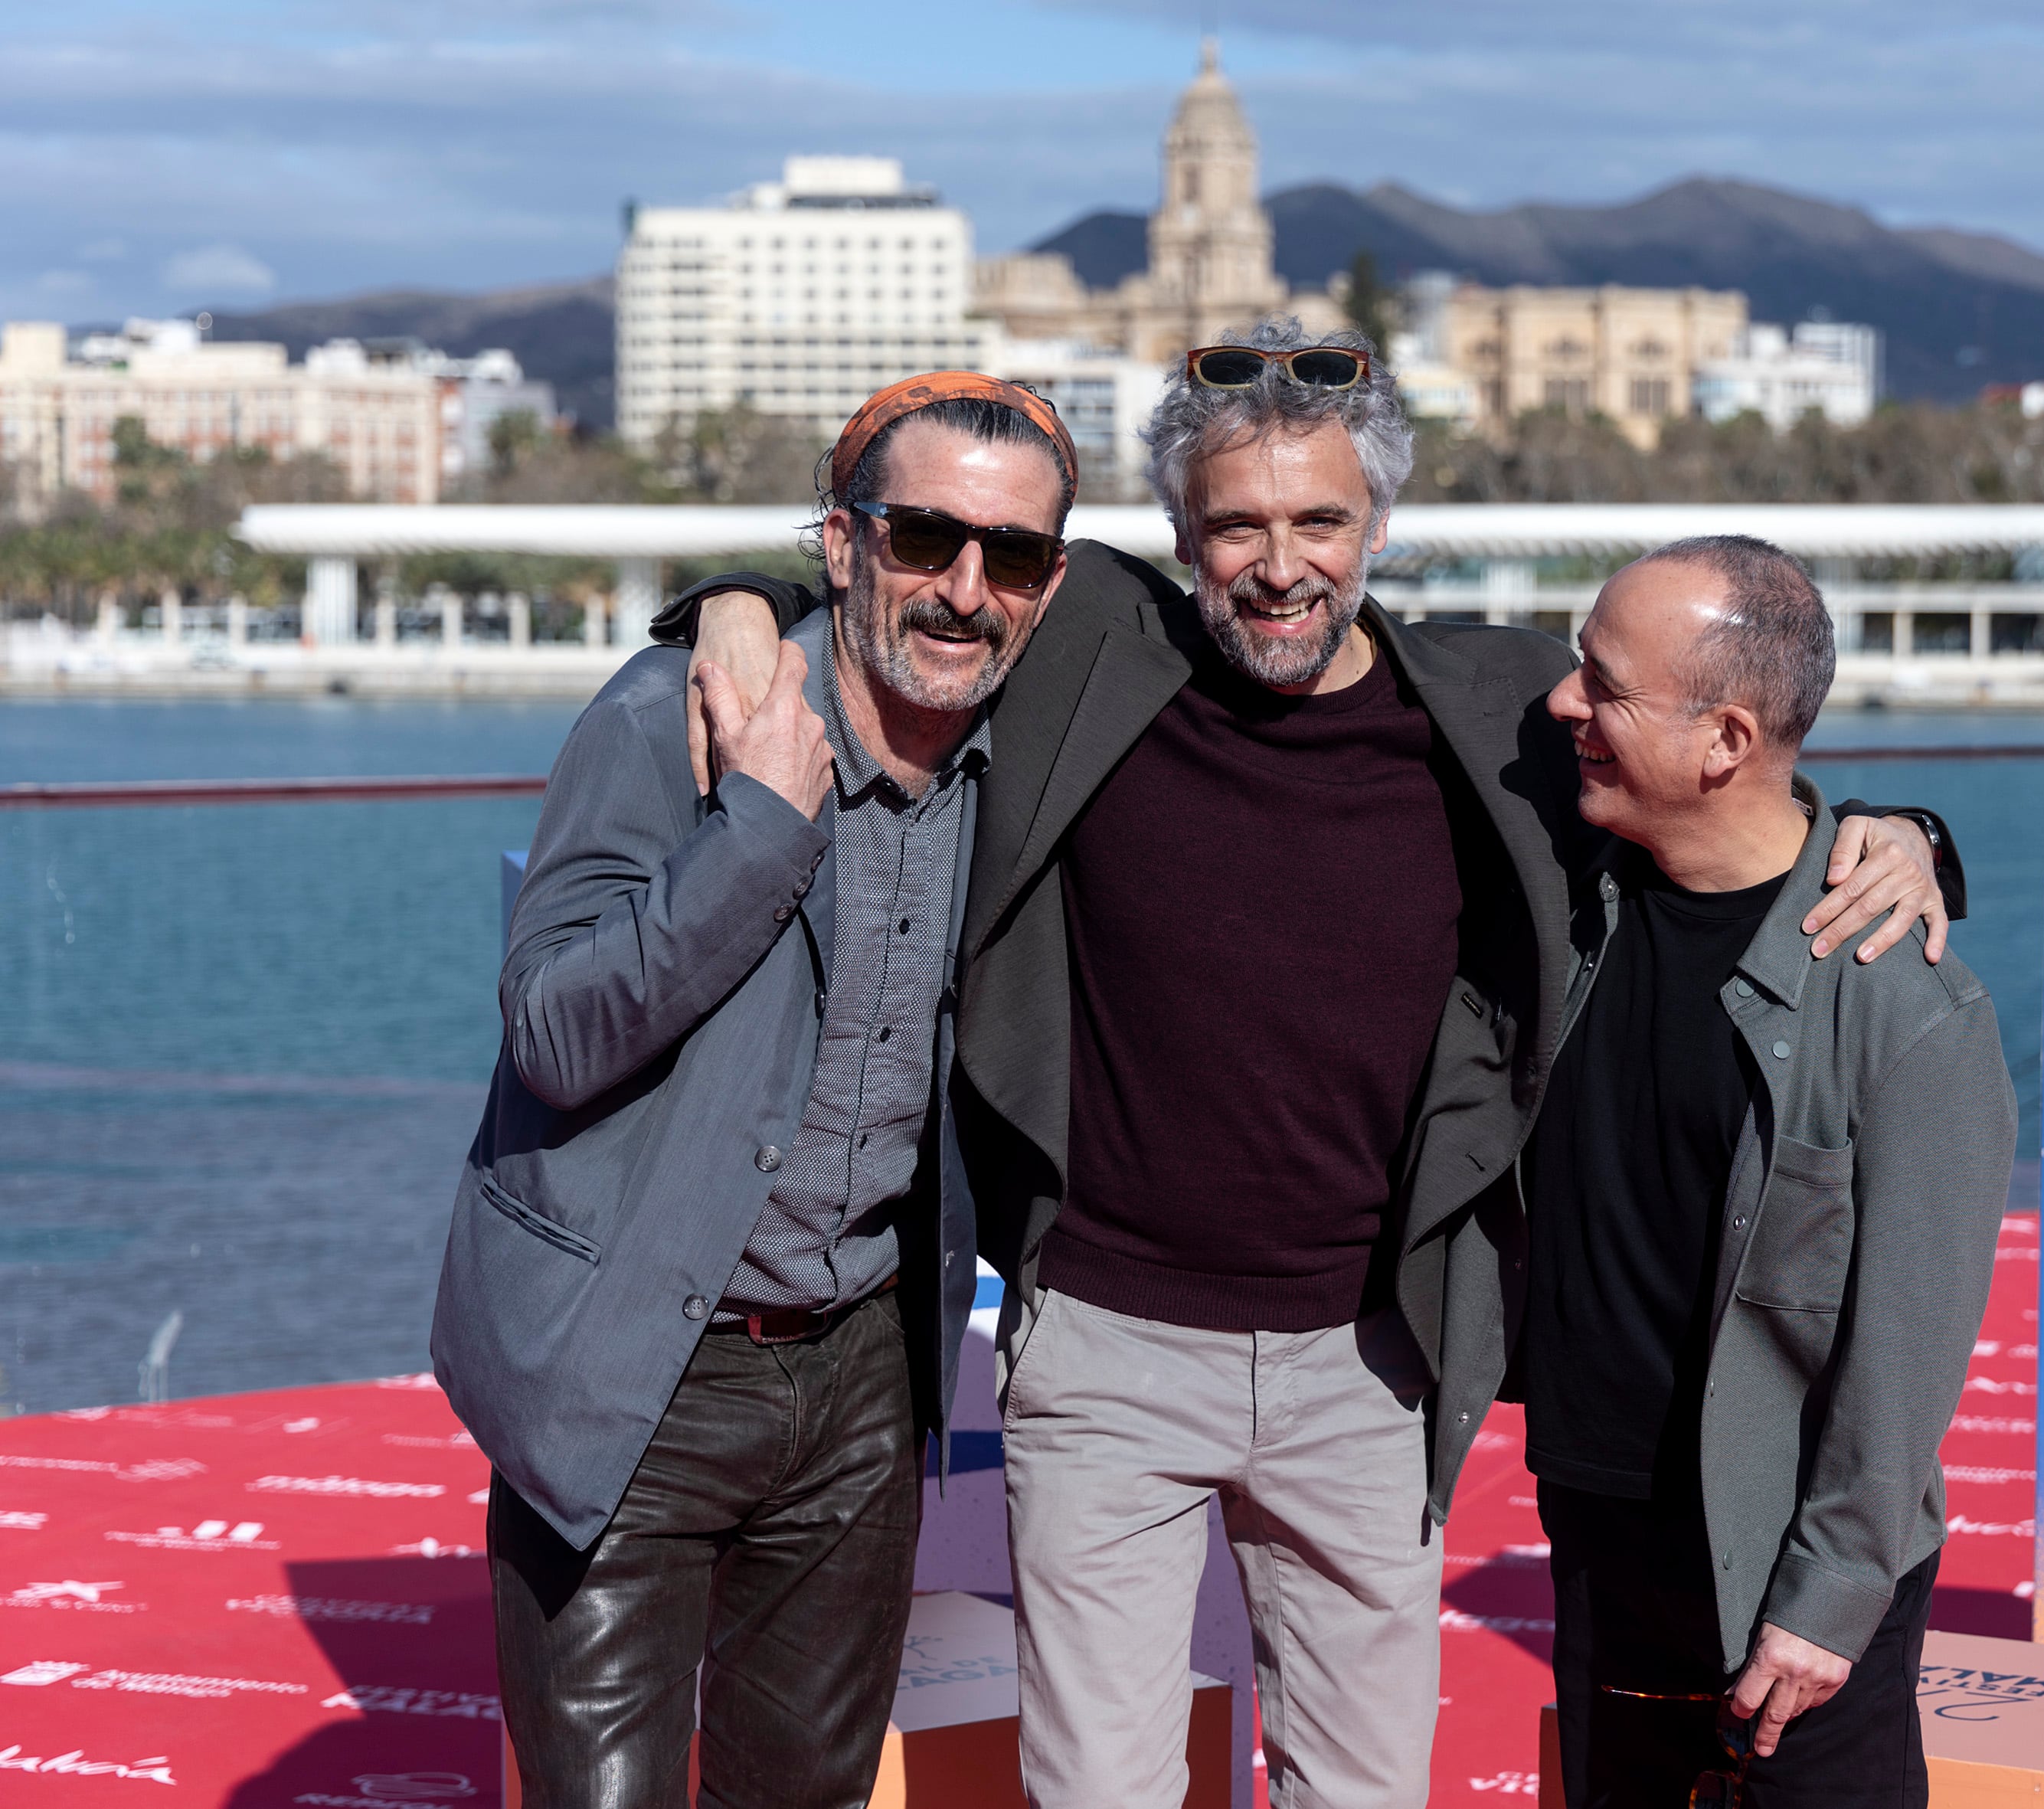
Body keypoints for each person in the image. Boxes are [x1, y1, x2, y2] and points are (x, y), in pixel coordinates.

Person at [665, 322, 1962, 1809]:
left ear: (1377, 528)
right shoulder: (1088, 647)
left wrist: (1903, 828)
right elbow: (917, 588)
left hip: (1370, 1365)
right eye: (1236, 524)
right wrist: (735, 609)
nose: (1279, 562)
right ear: (1179, 536)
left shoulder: (1501, 713)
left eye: (1319, 520)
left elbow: (1711, 772)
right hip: (1104, 1353)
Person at [430, 374, 1082, 1809]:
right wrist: (760, 828)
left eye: (1014, 555)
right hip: (634, 1365)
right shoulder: (674, 717)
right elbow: (551, 1029)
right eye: (923, 537)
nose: (966, 588)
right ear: (843, 543)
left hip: (860, 1372)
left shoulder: (1020, 757)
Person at [1522, 537, 2016, 1807]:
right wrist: (1897, 821)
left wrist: (1832, 1595)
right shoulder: (1572, 894)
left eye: (1603, 683)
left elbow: (1905, 1350)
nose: (1565, 702)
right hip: (1597, 1543)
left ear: (1726, 739)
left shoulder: (1903, 1005)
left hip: (1791, 1584)